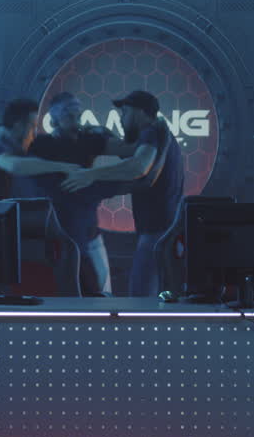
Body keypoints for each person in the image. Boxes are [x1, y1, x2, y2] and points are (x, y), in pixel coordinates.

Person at [61, 90, 183, 297]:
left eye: (125, 112)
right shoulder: (158, 133)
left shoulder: (151, 131)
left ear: (140, 112)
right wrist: (106, 134)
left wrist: (90, 175)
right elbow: (132, 154)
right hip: (162, 230)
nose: (121, 117)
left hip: (156, 231)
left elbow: (138, 167)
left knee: (140, 299)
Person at [28, 92, 132, 296]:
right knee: (69, 289)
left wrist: (106, 132)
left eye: (77, 108)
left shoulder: (89, 139)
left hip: (88, 228)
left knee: (101, 291)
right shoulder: (42, 144)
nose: (74, 113)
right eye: (68, 110)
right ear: (54, 117)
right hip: (60, 229)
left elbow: (127, 151)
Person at [0, 98, 78, 201]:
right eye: (32, 126)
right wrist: (62, 167)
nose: (34, 134)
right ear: (18, 125)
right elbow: (14, 165)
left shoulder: (11, 148)